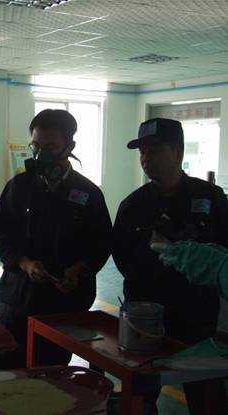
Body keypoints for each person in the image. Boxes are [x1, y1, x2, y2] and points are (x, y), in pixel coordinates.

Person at [112, 118, 228, 414]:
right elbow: (121, 256)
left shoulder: (211, 198)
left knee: (205, 396)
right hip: (146, 316)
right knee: (140, 395)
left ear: (177, 153)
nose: (146, 158)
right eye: (142, 152)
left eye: (154, 150)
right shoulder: (133, 205)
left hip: (196, 317)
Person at [0, 109, 112, 369]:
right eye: (36, 146)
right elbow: (2, 233)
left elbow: (101, 242)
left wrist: (78, 270)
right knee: (6, 367)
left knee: (52, 371)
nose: (40, 154)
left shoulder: (88, 193)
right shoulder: (19, 186)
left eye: (50, 147)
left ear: (70, 147)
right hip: (19, 296)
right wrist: (25, 264)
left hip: (65, 302)